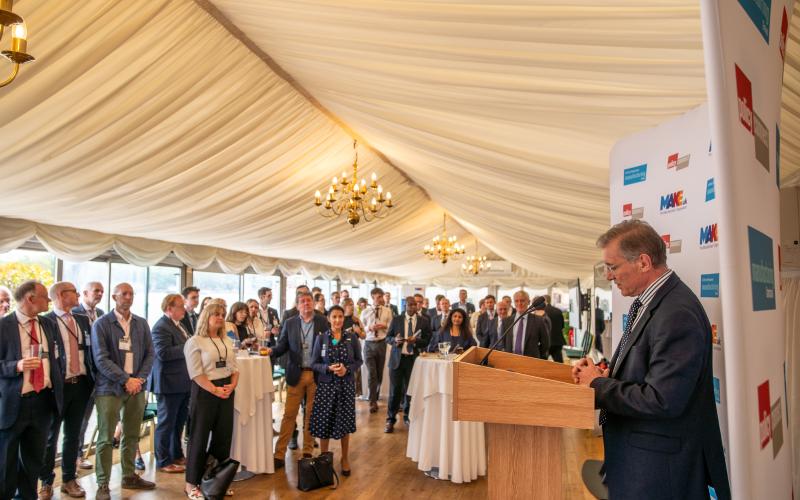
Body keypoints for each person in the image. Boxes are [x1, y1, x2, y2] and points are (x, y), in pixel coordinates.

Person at [573, 220, 730, 500]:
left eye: (613, 267)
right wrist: (607, 374)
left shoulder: (676, 312)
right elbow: (648, 371)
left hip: (659, 470)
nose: (609, 276)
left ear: (643, 262)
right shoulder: (655, 302)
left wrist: (596, 384)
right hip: (640, 461)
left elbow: (662, 399)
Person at [91, 283, 155, 499]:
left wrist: (138, 379)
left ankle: (129, 475)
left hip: (136, 387)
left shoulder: (141, 323)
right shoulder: (101, 324)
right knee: (106, 437)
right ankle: (102, 484)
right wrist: (125, 379)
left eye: (131, 293)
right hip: (109, 387)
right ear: (114, 297)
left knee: (131, 434)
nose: (128, 297)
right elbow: (101, 359)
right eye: (124, 294)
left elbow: (149, 354)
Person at [0, 281, 63, 500]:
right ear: (30, 298)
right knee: (5, 464)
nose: (49, 301)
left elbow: (55, 359)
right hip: (13, 404)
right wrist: (15, 366)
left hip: (43, 401)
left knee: (33, 461)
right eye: (46, 297)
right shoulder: (3, 326)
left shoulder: (48, 324)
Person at [39, 282, 94, 499]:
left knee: (73, 435)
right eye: (74, 292)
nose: (78, 294)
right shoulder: (46, 321)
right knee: (51, 436)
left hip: (81, 384)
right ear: (62, 295)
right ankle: (46, 481)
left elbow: (90, 349)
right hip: (57, 387)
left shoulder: (81, 319)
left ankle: (69, 479)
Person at [183, 302, 240, 500]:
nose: (220, 317)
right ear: (206, 316)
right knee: (198, 438)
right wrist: (215, 389)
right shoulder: (195, 341)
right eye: (215, 314)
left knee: (223, 438)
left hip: (226, 390)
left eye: (222, 314)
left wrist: (232, 386)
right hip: (205, 391)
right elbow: (196, 373)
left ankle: (216, 481)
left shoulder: (226, 340)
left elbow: (234, 368)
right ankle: (191, 484)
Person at [272, 291, 330, 467]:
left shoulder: (322, 321)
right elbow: (282, 345)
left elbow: (328, 345)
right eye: (302, 301)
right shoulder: (290, 323)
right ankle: (279, 454)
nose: (306, 304)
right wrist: (270, 351)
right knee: (289, 415)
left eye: (309, 301)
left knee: (311, 416)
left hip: (315, 374)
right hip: (295, 374)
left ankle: (307, 451)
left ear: (313, 303)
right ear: (297, 306)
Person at [309, 306, 362, 476]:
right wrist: (328, 368)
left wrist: (347, 369)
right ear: (328, 318)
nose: (338, 320)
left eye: (340, 316)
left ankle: (344, 458)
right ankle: (325, 458)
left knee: (345, 423)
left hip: (345, 386)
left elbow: (359, 361)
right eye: (334, 317)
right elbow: (314, 363)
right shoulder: (322, 339)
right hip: (326, 386)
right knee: (324, 422)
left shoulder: (352, 337)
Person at [149, 294, 191, 474]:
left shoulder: (179, 324)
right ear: (169, 308)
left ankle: (177, 454)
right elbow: (163, 353)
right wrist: (189, 346)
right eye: (180, 306)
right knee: (166, 423)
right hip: (168, 382)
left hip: (182, 381)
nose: (184, 309)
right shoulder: (161, 327)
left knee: (178, 422)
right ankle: (164, 460)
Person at [384, 296, 431, 432]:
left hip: (413, 360)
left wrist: (415, 341)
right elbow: (388, 337)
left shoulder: (423, 321)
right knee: (395, 392)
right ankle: (390, 419)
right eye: (409, 305)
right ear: (405, 306)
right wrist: (395, 340)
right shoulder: (397, 319)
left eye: (414, 305)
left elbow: (427, 340)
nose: (411, 307)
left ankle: (408, 416)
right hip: (397, 360)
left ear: (417, 306)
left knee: (410, 391)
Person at [74, 281, 105, 471]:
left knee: (92, 419)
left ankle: (82, 454)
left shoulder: (101, 314)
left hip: (100, 375)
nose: (99, 294)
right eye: (96, 291)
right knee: (79, 420)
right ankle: (76, 456)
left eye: (101, 291)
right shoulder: (75, 313)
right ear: (85, 293)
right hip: (82, 374)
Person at [359, 287, 393, 413]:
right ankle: (372, 401)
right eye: (378, 297)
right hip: (368, 344)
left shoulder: (388, 311)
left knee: (379, 374)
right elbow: (361, 329)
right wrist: (370, 328)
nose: (380, 299)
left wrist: (385, 326)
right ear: (372, 297)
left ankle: (376, 395)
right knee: (371, 373)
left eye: (382, 296)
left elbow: (391, 328)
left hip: (382, 343)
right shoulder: (365, 312)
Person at [501, 291, 549, 359]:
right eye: (516, 301)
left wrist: (536, 357)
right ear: (514, 303)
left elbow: (545, 344)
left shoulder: (539, 321)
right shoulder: (507, 321)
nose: (519, 303)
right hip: (511, 361)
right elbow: (503, 342)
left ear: (529, 302)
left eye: (522, 300)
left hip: (531, 362)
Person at [544, 295, 566, 363]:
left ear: (544, 301)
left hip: (546, 342)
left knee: (542, 364)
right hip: (558, 341)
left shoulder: (542, 311)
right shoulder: (558, 311)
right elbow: (562, 326)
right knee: (559, 364)